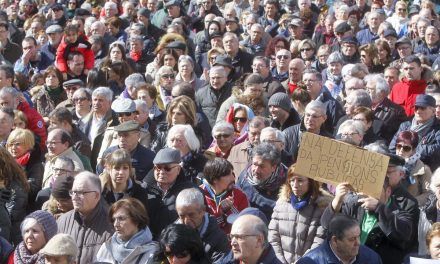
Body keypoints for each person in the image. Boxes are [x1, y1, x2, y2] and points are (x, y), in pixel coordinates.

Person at [321, 148, 419, 264]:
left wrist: (379, 208)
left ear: (388, 192)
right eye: (367, 188)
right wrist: (337, 201)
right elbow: (327, 226)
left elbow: (403, 237)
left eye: (376, 190)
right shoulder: (355, 205)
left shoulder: (400, 210)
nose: (370, 193)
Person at [268, 164, 332, 263]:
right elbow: (273, 237)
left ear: (310, 182)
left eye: (300, 180)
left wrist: (302, 262)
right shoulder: (281, 204)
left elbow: (320, 240)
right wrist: (280, 261)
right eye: (292, 180)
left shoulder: (321, 206)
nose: (295, 185)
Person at [57, 171, 114, 264]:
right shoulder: (63, 221)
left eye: (80, 192)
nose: (74, 197)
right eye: (73, 192)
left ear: (96, 195)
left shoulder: (112, 224)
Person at [143, 148, 196, 237]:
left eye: (167, 168)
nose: (162, 172)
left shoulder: (190, 192)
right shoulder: (143, 189)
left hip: (178, 240)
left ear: (178, 169)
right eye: (158, 168)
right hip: (147, 241)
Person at [175, 188, 232, 263]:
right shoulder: (172, 236)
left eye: (191, 215)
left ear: (203, 210)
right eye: (182, 216)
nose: (186, 221)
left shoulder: (218, 238)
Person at [96, 198, 160, 263]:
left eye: (121, 218)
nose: (115, 224)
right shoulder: (106, 248)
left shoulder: (152, 253)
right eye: (114, 219)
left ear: (137, 220)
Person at [297, 215, 382, 264]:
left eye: (358, 236)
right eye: (352, 239)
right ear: (335, 241)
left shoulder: (372, 258)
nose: (358, 243)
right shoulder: (310, 262)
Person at [390, 94, 440, 171]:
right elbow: (392, 147)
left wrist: (411, 149)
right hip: (400, 167)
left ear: (433, 112)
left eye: (423, 108)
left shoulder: (438, 128)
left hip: (425, 170)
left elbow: (437, 150)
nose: (418, 111)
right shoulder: (405, 125)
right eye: (416, 108)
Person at [237, 143, 287, 220]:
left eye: (262, 166)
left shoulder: (287, 181)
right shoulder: (245, 176)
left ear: (273, 167)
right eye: (254, 164)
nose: (256, 170)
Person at [100, 149, 152, 218]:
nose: (121, 172)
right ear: (109, 169)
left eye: (125, 168)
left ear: (129, 170)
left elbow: (142, 221)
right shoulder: (100, 191)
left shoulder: (139, 193)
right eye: (117, 168)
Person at [6, 128, 43, 210]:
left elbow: (33, 189)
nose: (13, 147)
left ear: (28, 145)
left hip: (24, 208)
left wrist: (10, 183)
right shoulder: (5, 161)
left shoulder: (35, 163)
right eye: (11, 144)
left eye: (18, 144)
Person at [395, 130, 432, 204]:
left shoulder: (424, 169)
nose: (401, 150)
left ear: (413, 150)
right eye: (399, 146)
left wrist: (411, 203)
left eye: (406, 148)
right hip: (388, 208)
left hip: (409, 211)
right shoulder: (390, 164)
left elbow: (429, 194)